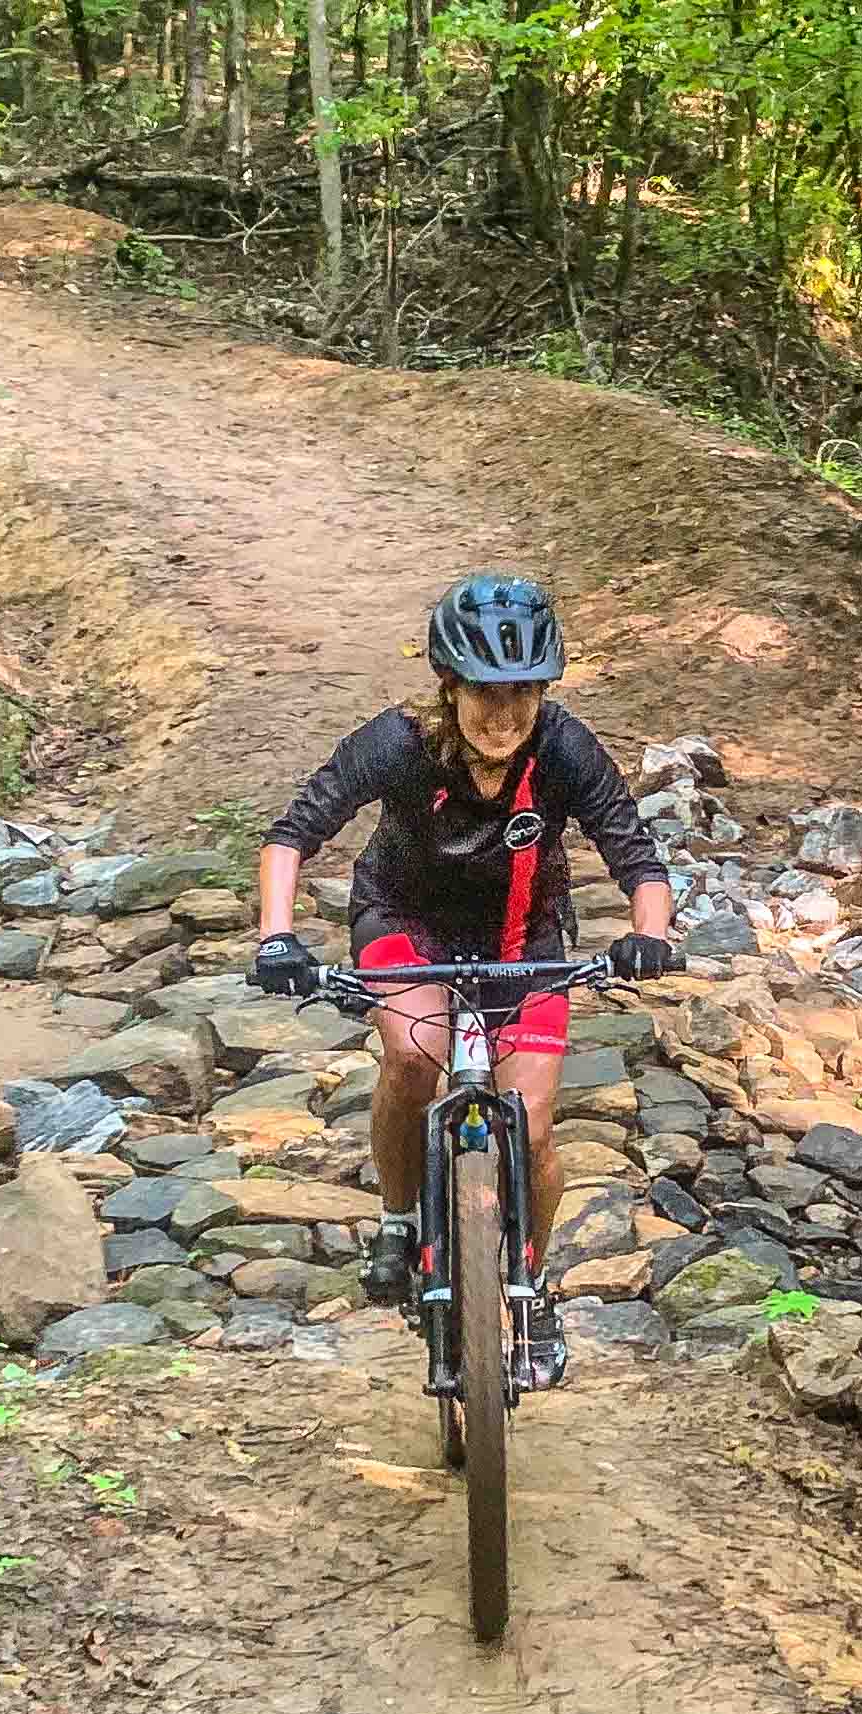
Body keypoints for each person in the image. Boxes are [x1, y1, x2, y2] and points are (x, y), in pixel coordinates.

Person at [250, 573, 678, 1387]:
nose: (504, 715)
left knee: (538, 1125)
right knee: (414, 1060)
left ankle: (532, 1283)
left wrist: (648, 937)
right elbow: (291, 835)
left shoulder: (564, 748)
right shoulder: (397, 744)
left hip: (526, 939)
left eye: (523, 694)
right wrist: (277, 937)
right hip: (405, 923)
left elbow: (636, 857)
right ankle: (398, 1218)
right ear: (448, 685)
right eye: (486, 693)